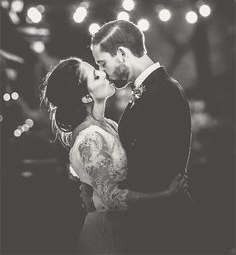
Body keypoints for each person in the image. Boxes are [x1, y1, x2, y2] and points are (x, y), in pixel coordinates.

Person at [41, 57, 189, 254]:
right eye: (95, 75)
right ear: (86, 97)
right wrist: (165, 195)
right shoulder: (90, 137)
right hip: (108, 233)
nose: (103, 73)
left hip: (126, 226)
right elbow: (111, 198)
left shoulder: (108, 124)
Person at [90, 20, 193, 254]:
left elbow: (153, 166)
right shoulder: (151, 89)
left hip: (160, 226)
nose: (103, 72)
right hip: (150, 218)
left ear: (122, 53)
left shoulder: (162, 91)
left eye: (103, 63)